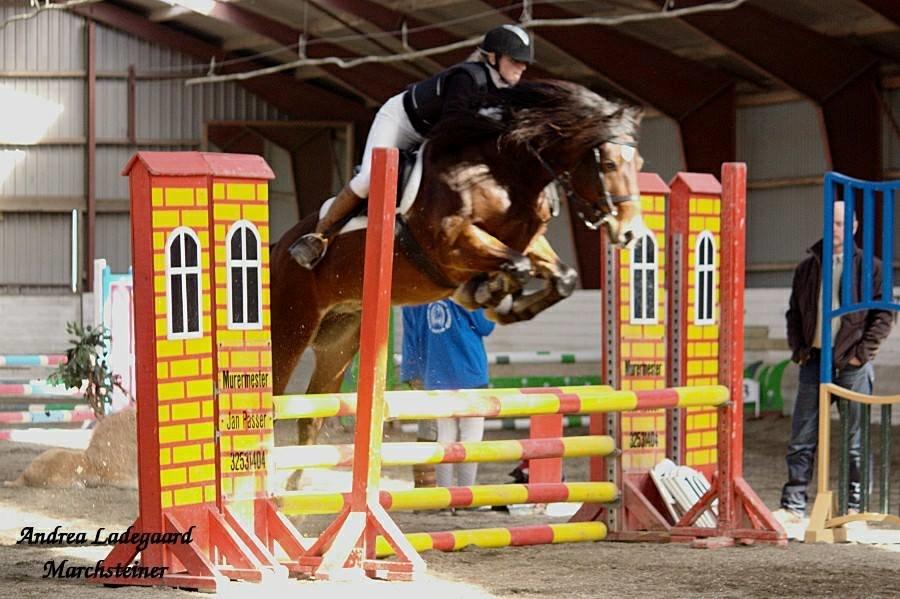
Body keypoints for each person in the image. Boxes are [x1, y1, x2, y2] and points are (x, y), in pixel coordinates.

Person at [288, 24, 535, 269]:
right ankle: (320, 236)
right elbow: (454, 123)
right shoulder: (468, 78)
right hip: (401, 121)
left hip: (431, 135)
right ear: (493, 57)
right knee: (369, 178)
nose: (522, 67)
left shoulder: (507, 92)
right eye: (515, 60)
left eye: (523, 62)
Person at [775, 200, 893, 524]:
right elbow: (794, 313)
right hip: (813, 362)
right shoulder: (807, 267)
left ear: (854, 226)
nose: (835, 228)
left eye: (841, 223)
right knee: (802, 436)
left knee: (854, 440)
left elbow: (884, 314)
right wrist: (798, 349)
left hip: (852, 365)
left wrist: (861, 354)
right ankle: (794, 505)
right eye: (831, 222)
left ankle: (853, 508)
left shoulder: (872, 267)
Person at [401, 299, 495, 492]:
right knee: (471, 437)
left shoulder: (422, 295)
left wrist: (411, 372)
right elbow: (486, 326)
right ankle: (466, 494)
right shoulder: (468, 292)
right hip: (470, 372)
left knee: (444, 436)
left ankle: (445, 495)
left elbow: (411, 333)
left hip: (435, 373)